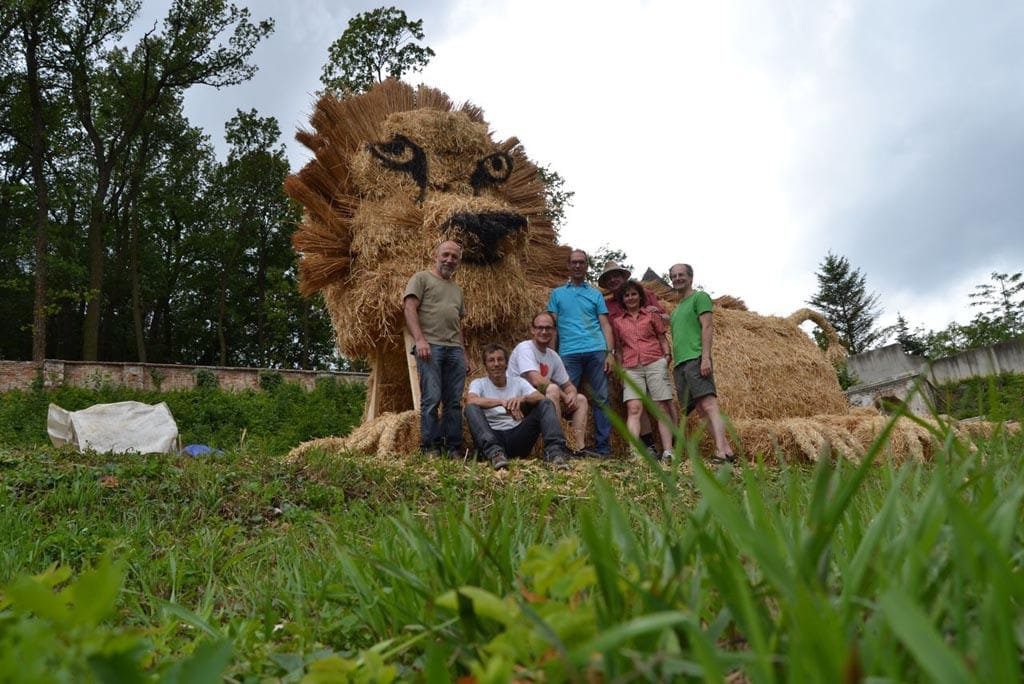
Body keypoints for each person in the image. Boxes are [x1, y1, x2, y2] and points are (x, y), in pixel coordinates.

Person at [597, 261, 678, 451]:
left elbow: (665, 322)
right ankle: (647, 444)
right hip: (630, 361)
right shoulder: (607, 305)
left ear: (624, 277)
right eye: (609, 278)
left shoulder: (646, 295)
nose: (613, 279)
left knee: (663, 403)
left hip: (653, 357)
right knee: (635, 405)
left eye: (616, 275)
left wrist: (666, 355)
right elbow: (611, 335)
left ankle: (675, 441)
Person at [546, 249, 615, 456]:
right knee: (566, 398)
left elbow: (606, 325)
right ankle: (566, 444)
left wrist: (610, 353)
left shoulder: (595, 294)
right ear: (568, 266)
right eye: (574, 262)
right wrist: (551, 355)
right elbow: (552, 326)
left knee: (601, 399)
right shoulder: (557, 294)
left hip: (596, 350)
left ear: (587, 266)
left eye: (581, 262)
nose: (577, 266)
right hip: (568, 352)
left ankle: (603, 448)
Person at [404, 240, 468, 457]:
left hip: (454, 350)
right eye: (446, 255)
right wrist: (420, 340)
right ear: (436, 255)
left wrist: (463, 353)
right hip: (430, 347)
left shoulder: (457, 290)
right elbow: (409, 308)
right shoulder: (421, 278)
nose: (449, 260)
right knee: (431, 398)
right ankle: (430, 447)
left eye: (454, 257)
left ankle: (452, 448)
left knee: (454, 402)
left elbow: (458, 324)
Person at [668, 263, 737, 463]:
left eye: (681, 275)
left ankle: (720, 451)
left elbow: (707, 327)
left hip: (696, 358)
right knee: (699, 409)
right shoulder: (676, 309)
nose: (677, 278)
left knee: (709, 405)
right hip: (681, 363)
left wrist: (705, 357)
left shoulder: (700, 298)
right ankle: (726, 450)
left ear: (691, 277)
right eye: (674, 276)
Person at [465, 344, 572, 470]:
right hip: (492, 436)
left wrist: (523, 399)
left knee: (546, 403)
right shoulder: (478, 383)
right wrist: (502, 402)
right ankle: (495, 454)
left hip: (518, 436)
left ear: (506, 363)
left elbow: (539, 397)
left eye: (500, 359)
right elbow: (471, 400)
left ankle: (555, 453)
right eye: (491, 360)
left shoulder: (518, 382)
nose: (496, 364)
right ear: (485, 365)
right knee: (470, 408)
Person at [507, 312, 590, 453]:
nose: (544, 331)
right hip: (519, 402)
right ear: (532, 330)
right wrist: (564, 396)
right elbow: (535, 380)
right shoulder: (524, 348)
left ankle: (578, 448)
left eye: (548, 328)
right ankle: (557, 446)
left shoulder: (553, 356)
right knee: (552, 389)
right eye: (539, 328)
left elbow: (568, 384)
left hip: (541, 401)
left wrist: (572, 394)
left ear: (554, 331)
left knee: (581, 399)